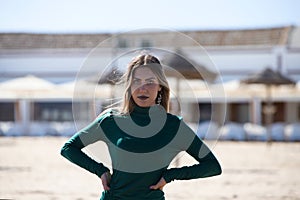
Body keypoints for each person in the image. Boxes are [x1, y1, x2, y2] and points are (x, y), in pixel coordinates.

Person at [60, 53, 222, 200]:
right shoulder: (110, 120)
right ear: (129, 86)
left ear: (160, 87)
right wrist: (100, 171)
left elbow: (212, 166)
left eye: (150, 82)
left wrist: (171, 175)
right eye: (136, 81)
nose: (142, 88)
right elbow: (69, 148)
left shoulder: (174, 126)